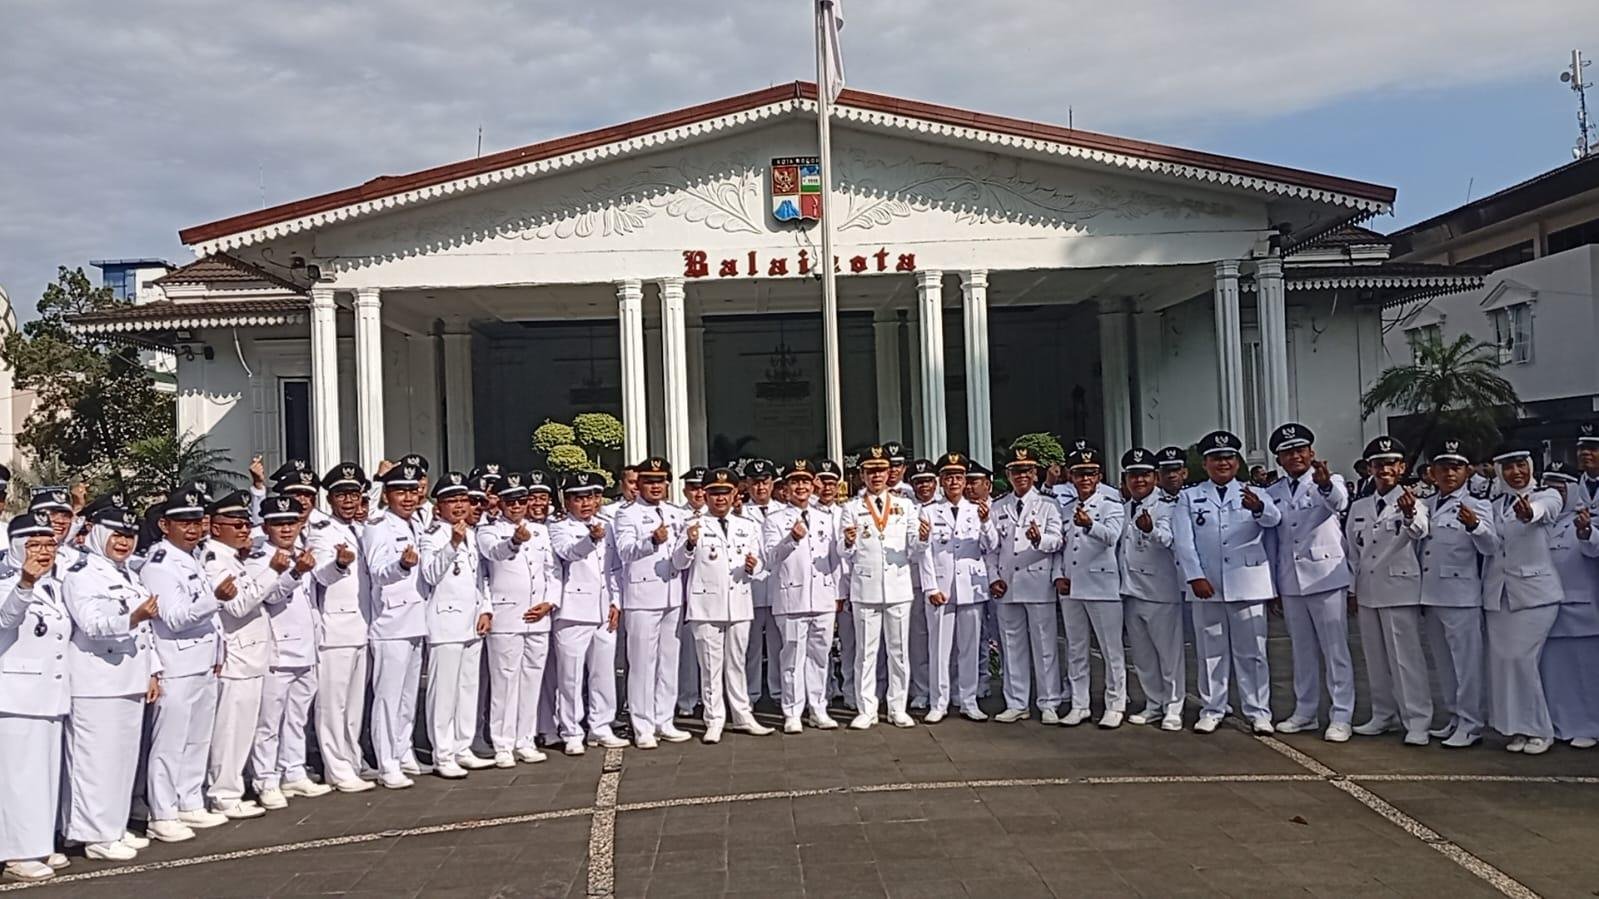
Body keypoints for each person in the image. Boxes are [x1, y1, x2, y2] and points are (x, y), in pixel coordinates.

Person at [62, 497, 160, 861]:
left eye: (130, 535)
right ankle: (95, 834)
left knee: (121, 760)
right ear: (99, 533)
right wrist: (129, 619)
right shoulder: (82, 574)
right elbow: (91, 623)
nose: (124, 541)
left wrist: (153, 670)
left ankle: (114, 825)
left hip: (129, 678)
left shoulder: (128, 574)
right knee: (95, 762)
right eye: (117, 534)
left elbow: (147, 631)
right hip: (96, 681)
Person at [1172, 429, 1281, 735]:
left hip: (1247, 582)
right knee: (1210, 650)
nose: (1223, 463)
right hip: (1208, 583)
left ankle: (1258, 710)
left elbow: (1274, 520)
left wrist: (1258, 507)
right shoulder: (1190, 496)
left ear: (1237, 462)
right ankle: (1213, 707)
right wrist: (1195, 576)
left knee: (1253, 652)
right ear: (1205, 464)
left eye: (1229, 457)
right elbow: (1184, 541)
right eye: (1216, 458)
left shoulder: (1255, 491)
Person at [139, 488, 231, 842]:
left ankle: (190, 800)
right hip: (176, 661)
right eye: (183, 522)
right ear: (165, 525)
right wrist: (214, 600)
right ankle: (162, 812)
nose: (192, 529)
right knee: (170, 742)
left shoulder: (192, 557)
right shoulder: (160, 563)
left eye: (196, 521)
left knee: (197, 738)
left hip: (202, 659)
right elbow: (174, 618)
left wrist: (218, 654)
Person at [1261, 423, 1356, 743]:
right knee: (1301, 651)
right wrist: (1272, 586)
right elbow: (1272, 541)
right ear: (1279, 459)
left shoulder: (1329, 482)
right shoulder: (1272, 492)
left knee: (1335, 650)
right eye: (1288, 452)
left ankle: (1342, 714)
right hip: (1291, 580)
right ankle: (1305, 711)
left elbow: (1339, 503)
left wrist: (1326, 484)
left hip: (1326, 576)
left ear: (1312, 453)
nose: (1295, 456)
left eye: (1301, 450)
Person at [672, 468, 774, 743]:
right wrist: (690, 544)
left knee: (737, 663)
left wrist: (755, 567)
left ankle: (742, 715)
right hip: (706, 604)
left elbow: (763, 564)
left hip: (739, 602)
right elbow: (678, 562)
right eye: (714, 493)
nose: (720, 499)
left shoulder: (747, 526)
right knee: (710, 666)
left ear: (734, 494)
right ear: (705, 495)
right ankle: (714, 718)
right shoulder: (693, 524)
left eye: (725, 493)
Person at [1345, 437, 1432, 746]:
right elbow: (1353, 552)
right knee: (1375, 657)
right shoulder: (1360, 506)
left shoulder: (1413, 501)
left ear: (1401, 467)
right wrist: (1353, 591)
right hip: (1368, 590)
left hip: (1399, 588)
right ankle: (1383, 714)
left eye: (1390, 464)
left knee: (1405, 659)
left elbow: (1419, 530)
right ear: (1369, 468)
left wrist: (1409, 515)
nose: (1384, 469)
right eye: (1378, 464)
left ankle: (1418, 720)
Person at [0, 512, 70, 880]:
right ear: (16, 547)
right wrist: (25, 582)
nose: (43, 552)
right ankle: (15, 851)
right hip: (16, 694)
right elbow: (5, 619)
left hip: (49, 691)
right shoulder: (6, 580)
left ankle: (38, 842)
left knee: (43, 774)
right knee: (18, 777)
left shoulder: (55, 584)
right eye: (34, 545)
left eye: (49, 544)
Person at [1481, 445, 1563, 754]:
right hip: (1499, 594)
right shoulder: (1492, 505)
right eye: (1509, 467)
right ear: (1499, 471)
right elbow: (1489, 546)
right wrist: (1475, 526)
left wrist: (1530, 512)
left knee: (1522, 661)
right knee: (1502, 663)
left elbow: (1542, 513)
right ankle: (1514, 728)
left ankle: (1540, 729)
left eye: (1521, 465)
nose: (1516, 472)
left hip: (1536, 595)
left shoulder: (1547, 496)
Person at [202, 491, 279, 819]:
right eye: (237, 524)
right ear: (216, 527)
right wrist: (272, 571)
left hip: (250, 654)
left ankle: (230, 788)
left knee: (244, 727)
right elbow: (235, 605)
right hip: (235, 656)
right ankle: (223, 793)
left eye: (247, 523)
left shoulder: (233, 557)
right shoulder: (214, 559)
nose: (245, 529)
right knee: (230, 730)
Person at [252, 495, 331, 805]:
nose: (286, 529)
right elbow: (270, 596)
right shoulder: (261, 557)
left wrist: (337, 564)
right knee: (269, 721)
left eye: (291, 522)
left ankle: (293, 771)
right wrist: (294, 573)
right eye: (278, 523)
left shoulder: (302, 551)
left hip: (305, 645)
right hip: (278, 649)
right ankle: (266, 779)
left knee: (297, 717)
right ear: (266, 526)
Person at [841, 445, 927, 730]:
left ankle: (897, 707)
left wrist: (924, 539)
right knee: (865, 653)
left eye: (881, 470)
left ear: (890, 473)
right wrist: (849, 542)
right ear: (862, 475)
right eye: (870, 471)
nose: (876, 476)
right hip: (865, 588)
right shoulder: (851, 508)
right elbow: (843, 552)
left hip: (898, 585)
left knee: (899, 651)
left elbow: (915, 548)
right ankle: (867, 708)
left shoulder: (905, 506)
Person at [480, 472, 561, 766]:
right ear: (500, 503)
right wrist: (514, 541)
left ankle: (524, 739)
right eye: (510, 501)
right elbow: (495, 554)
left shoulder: (540, 532)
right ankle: (502, 743)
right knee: (504, 681)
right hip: (506, 616)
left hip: (538, 616)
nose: (517, 506)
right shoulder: (488, 531)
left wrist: (550, 602)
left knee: (531, 680)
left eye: (521, 500)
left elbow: (553, 571)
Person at [1419, 439, 1496, 749]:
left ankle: (1472, 722)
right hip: (1431, 593)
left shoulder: (1478, 504)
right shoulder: (1426, 503)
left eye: (1456, 467)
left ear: (1468, 471)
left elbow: (1491, 546)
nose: (1449, 473)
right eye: (1443, 468)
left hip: (1461, 594)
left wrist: (1475, 525)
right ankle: (1454, 715)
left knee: (1467, 663)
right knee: (1444, 662)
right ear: (1432, 472)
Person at [417, 473, 494, 777]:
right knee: (444, 691)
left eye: (463, 499)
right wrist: (452, 544)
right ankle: (443, 753)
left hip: (471, 620)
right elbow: (431, 574)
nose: (460, 506)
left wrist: (485, 609)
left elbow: (480, 577)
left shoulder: (472, 534)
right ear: (439, 506)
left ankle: (463, 746)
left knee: (467, 688)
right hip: (445, 622)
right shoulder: (431, 535)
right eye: (452, 500)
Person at [614, 457, 693, 749]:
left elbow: (681, 559)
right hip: (643, 597)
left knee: (668, 662)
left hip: (672, 593)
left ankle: (664, 719)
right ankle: (642, 724)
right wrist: (651, 540)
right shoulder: (627, 514)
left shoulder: (675, 514)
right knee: (643, 664)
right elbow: (624, 551)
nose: (655, 486)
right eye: (649, 481)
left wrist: (689, 546)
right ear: (639, 484)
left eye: (660, 481)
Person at [303, 464, 372, 791]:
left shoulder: (361, 528)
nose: (348, 501)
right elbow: (321, 575)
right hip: (335, 628)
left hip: (360, 625)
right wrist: (340, 564)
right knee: (333, 705)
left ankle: (351, 757)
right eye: (341, 495)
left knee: (353, 704)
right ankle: (336, 766)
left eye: (354, 494)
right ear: (329, 498)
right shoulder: (322, 530)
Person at [762, 459, 843, 733]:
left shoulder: (826, 518)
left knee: (820, 656)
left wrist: (837, 592)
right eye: (795, 482)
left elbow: (835, 560)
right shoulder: (774, 520)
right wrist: (791, 539)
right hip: (791, 599)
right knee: (793, 657)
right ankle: (793, 711)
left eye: (805, 482)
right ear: (785, 487)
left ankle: (818, 708)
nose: (800, 487)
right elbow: (770, 559)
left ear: (814, 485)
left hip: (821, 596)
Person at [361, 462, 429, 789]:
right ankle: (386, 761)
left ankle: (403, 752)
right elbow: (376, 569)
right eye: (400, 491)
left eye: (412, 491)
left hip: (416, 618)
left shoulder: (417, 521)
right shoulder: (378, 524)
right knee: (387, 697)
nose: (407, 497)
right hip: (391, 621)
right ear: (387, 494)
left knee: (406, 697)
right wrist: (402, 566)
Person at [549, 471, 626, 756]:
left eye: (592, 497)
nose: (586, 503)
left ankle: (601, 726)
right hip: (572, 609)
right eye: (579, 498)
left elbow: (615, 569)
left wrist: (616, 602)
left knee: (602, 672)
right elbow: (567, 553)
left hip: (603, 607)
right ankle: (571, 730)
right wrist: (590, 541)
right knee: (569, 676)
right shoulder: (558, 526)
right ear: (567, 501)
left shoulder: (607, 524)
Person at [987, 446, 1064, 724]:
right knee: (1011, 646)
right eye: (1016, 471)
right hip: (1008, 584)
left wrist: (1039, 539)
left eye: (1027, 470)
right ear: (1008, 474)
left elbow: (1057, 541)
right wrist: (994, 578)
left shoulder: (1049, 504)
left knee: (1044, 647)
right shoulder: (999, 506)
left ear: (1035, 473)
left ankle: (1049, 702)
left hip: (1038, 582)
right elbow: (992, 549)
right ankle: (1017, 702)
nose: (1021, 476)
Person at [1051, 441, 1126, 728]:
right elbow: (1060, 545)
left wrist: (1090, 524)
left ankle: (1115, 703)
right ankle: (1079, 704)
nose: (1085, 479)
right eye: (1080, 473)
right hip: (1072, 585)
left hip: (1101, 584)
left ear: (1099, 476)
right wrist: (1059, 574)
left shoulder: (1110, 504)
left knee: (1111, 649)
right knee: (1076, 648)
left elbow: (1112, 537)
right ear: (1071, 476)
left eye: (1090, 473)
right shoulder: (1066, 506)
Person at [916, 452, 996, 722]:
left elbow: (991, 546)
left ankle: (968, 699)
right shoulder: (927, 510)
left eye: (958, 477)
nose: (953, 482)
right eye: (948, 477)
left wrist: (986, 523)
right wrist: (930, 587)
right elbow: (923, 552)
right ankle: (938, 702)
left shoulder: (977, 511)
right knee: (939, 648)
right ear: (940, 481)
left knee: (970, 646)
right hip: (941, 586)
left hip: (971, 587)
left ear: (965, 481)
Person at [1117, 448, 1185, 732]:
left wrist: (1151, 530)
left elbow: (1170, 540)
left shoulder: (1169, 505)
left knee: (1169, 654)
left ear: (1155, 477)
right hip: (1131, 590)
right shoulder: (1123, 507)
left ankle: (1173, 706)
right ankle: (1153, 703)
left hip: (1160, 591)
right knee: (1143, 655)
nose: (1139, 480)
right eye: (1133, 475)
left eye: (1144, 474)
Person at [1535, 460, 1599, 748]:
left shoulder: (1585, 517)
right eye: (1550, 486)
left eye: (1562, 487)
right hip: (1547, 608)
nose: (1556, 493)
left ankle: (1589, 725)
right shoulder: (1541, 521)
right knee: (1554, 673)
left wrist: (1587, 533)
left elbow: (1594, 546)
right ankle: (1559, 724)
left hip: (1582, 609)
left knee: (1585, 674)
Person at [738, 459, 782, 705]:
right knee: (751, 647)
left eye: (764, 482)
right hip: (751, 589)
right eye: (755, 483)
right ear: (747, 485)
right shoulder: (740, 513)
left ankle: (778, 692)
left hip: (777, 587)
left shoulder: (785, 510)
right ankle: (751, 693)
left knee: (778, 646)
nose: (760, 488)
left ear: (772, 483)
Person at [904, 459, 939, 711]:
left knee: (943, 641)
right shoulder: (906, 508)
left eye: (928, 480)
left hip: (942, 582)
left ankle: (947, 689)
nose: (924, 486)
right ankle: (921, 689)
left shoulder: (945, 507)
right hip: (913, 581)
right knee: (917, 640)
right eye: (918, 482)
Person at [675, 466, 708, 718]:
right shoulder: (676, 516)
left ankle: (713, 700)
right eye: (693, 487)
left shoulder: (718, 516)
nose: (698, 493)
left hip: (713, 591)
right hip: (685, 589)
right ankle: (687, 700)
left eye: (701, 487)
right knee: (687, 650)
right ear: (685, 490)